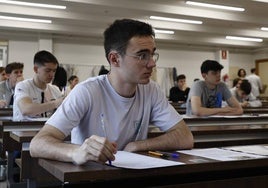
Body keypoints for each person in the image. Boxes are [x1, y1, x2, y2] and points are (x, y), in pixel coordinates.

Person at [30, 18, 194, 165]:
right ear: (114, 59)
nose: (151, 63)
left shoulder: (151, 90)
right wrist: (76, 151)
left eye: (152, 54)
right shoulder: (86, 91)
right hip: (91, 177)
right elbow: (37, 144)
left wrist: (138, 145)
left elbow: (185, 137)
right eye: (142, 55)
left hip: (132, 174)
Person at [13, 50, 64, 121]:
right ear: (36, 69)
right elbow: (26, 109)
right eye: (48, 70)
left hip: (48, 130)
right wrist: (54, 104)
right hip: (26, 131)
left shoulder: (55, 89)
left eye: (54, 71)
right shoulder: (23, 86)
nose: (52, 75)